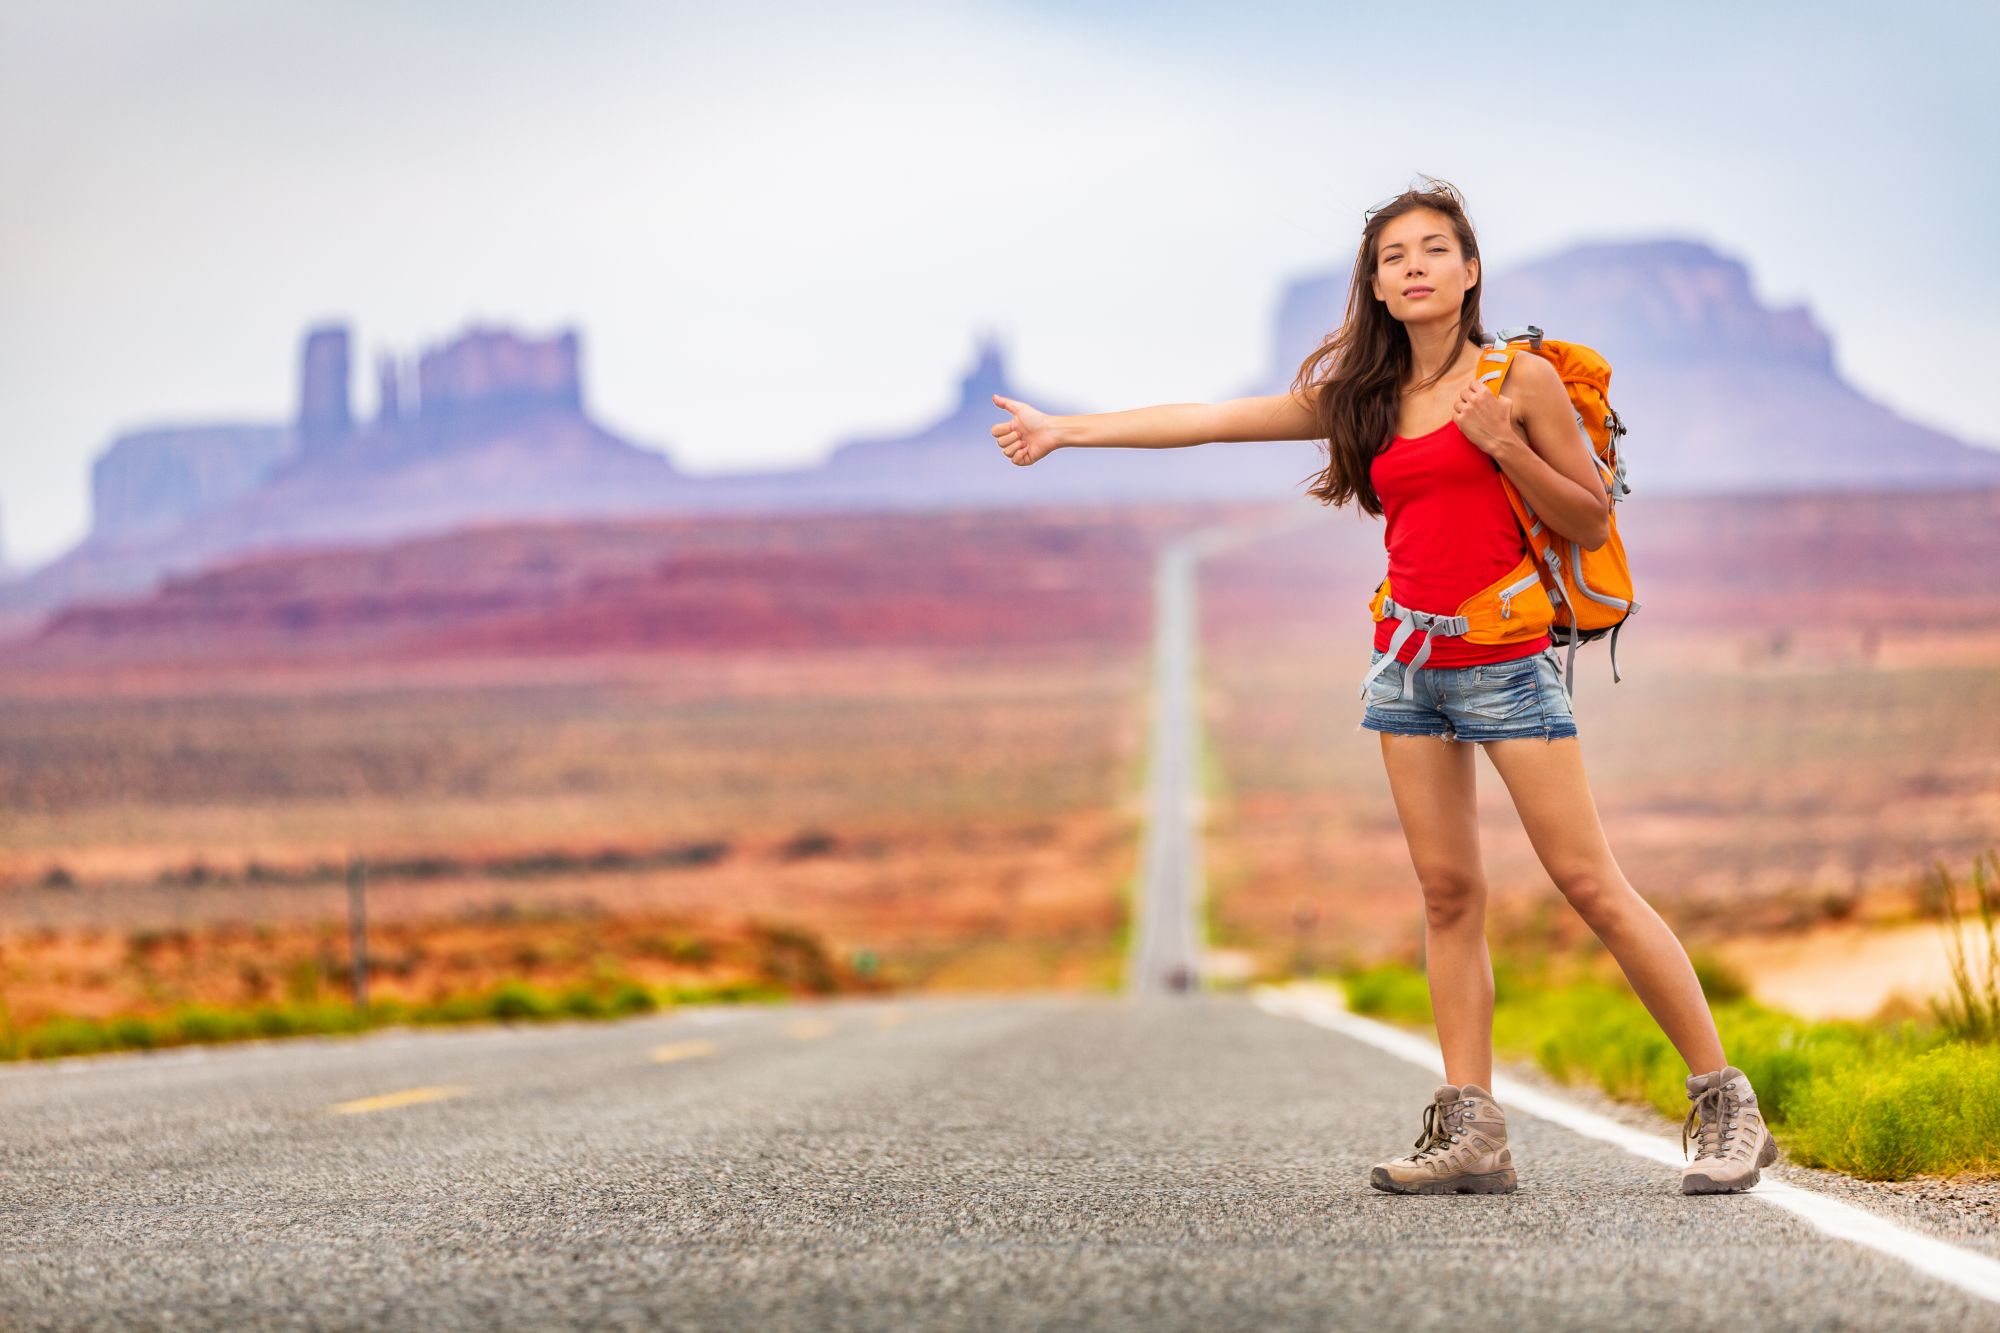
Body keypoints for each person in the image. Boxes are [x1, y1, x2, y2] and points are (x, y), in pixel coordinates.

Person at [987, 177, 1777, 1198]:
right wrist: (1066, 430)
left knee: (1588, 883)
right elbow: (1214, 418)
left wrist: (1499, 446)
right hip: (1406, 666)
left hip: (1505, 659)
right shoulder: (1360, 399)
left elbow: (1586, 519)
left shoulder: (1519, 379)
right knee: (1447, 895)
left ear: (1469, 269)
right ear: (1373, 282)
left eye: (1431, 248)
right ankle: (1471, 1129)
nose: (1411, 265)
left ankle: (1724, 1105)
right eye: (1391, 254)